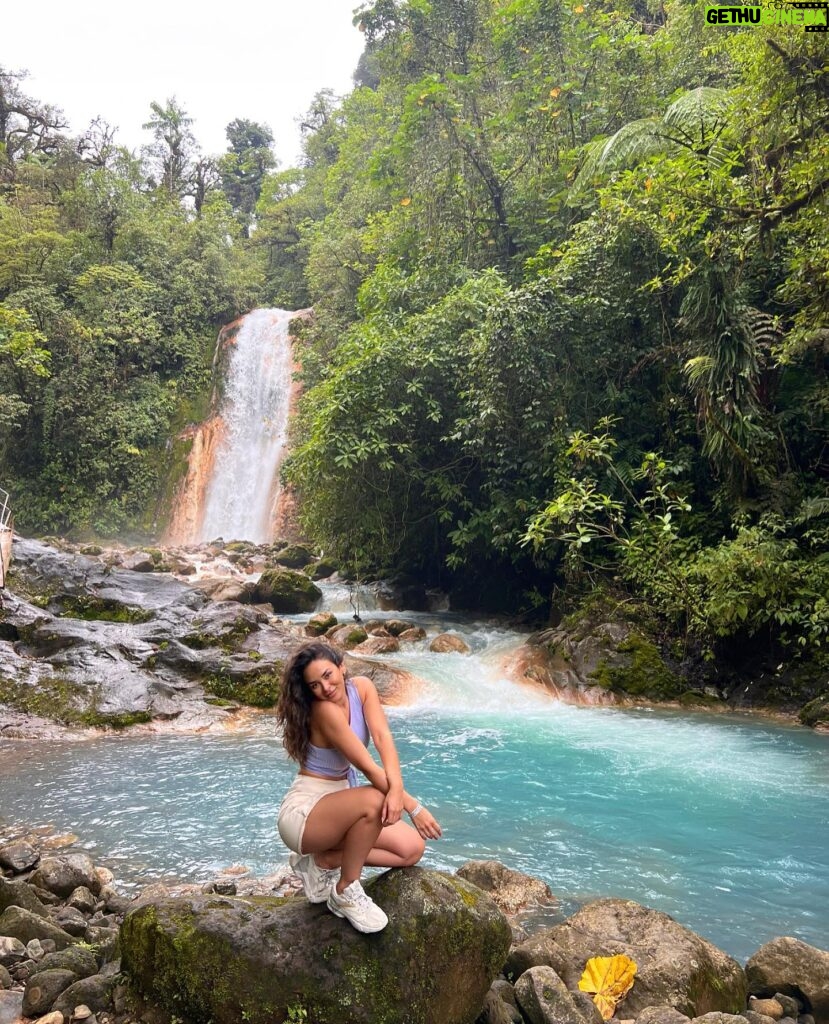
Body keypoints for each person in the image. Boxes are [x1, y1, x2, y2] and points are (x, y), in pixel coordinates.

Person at [276, 641, 442, 933]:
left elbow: (382, 737)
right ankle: (345, 890)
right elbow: (367, 766)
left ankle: (325, 860)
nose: (325, 688)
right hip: (306, 813)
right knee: (375, 800)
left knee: (411, 849)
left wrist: (401, 796)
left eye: (328, 675)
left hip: (340, 803)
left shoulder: (362, 688)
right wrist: (414, 807)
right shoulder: (324, 712)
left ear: (342, 667)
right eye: (314, 685)